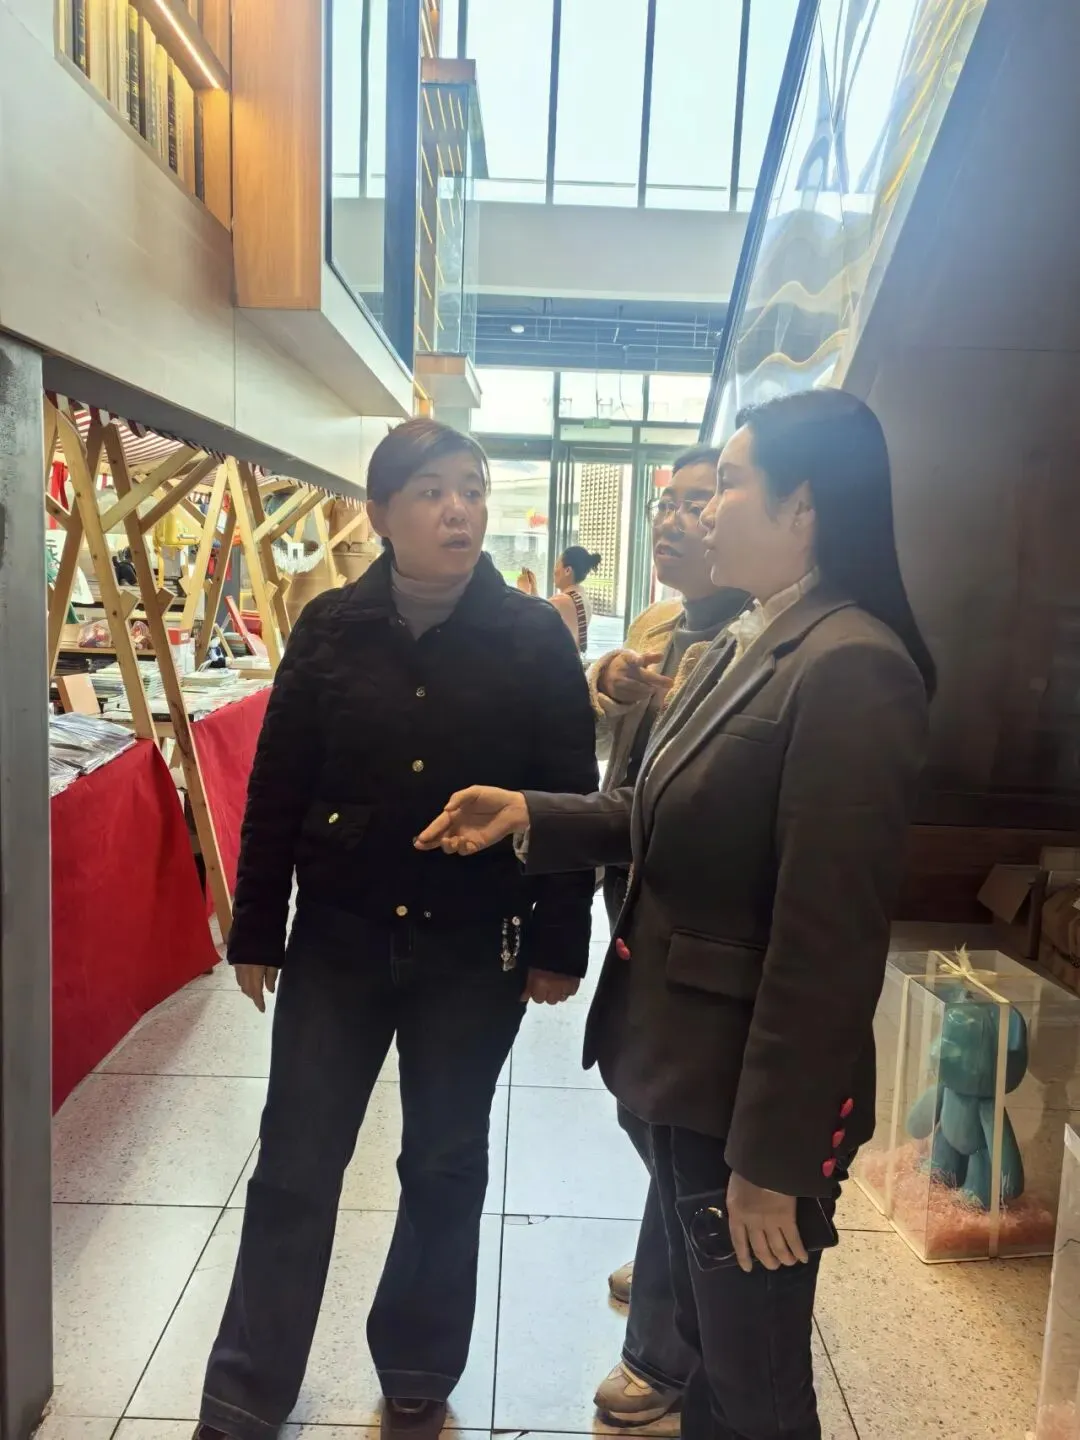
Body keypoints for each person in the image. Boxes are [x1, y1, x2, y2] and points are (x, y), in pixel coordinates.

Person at [418, 390, 934, 1440]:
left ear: (803, 506)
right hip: (687, 1069)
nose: (699, 512)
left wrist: (774, 1163)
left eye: (728, 486)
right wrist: (530, 811)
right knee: (713, 1373)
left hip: (744, 1095)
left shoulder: (850, 667)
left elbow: (827, 945)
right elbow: (658, 808)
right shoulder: (749, 638)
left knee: (755, 1390)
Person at [195, 418, 598, 1440]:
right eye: (431, 491)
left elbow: (568, 789)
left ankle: (418, 1361)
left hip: (474, 944)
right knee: (296, 1159)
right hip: (338, 937)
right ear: (380, 513)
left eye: (472, 487)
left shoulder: (533, 635)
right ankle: (247, 1382)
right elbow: (278, 785)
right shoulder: (329, 627)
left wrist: (560, 940)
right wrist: (257, 927)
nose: (459, 509)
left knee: (445, 1161)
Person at [588, 447, 748, 1429]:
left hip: (699, 915)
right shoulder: (661, 624)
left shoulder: (761, 639)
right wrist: (606, 680)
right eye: (667, 504)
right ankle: (673, 1246)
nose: (679, 520)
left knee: (677, 1122)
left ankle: (664, 1346)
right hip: (632, 891)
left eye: (704, 500)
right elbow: (623, 751)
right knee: (640, 1108)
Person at [519, 545, 602, 653]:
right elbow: (541, 609)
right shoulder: (584, 600)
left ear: (567, 570)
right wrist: (533, 589)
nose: (554, 571)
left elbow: (526, 621)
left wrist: (523, 590)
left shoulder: (562, 601)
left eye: (557, 565)